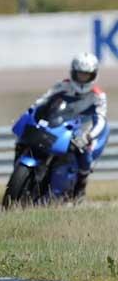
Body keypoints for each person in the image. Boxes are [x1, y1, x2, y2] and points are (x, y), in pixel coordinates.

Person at [16, 52, 108, 199]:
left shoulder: (98, 95)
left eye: (86, 75)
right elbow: (43, 100)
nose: (82, 79)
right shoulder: (62, 85)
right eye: (79, 74)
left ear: (93, 75)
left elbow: (101, 119)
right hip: (60, 124)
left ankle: (80, 185)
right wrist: (31, 113)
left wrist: (89, 136)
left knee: (85, 152)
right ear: (73, 72)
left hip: (84, 129)